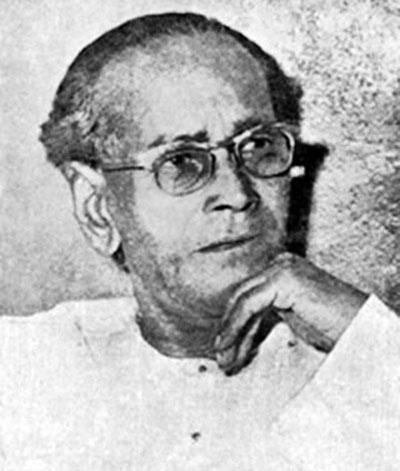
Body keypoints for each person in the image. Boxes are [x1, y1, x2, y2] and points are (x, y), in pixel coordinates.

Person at [1, 12, 399, 471]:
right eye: (181, 162)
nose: (237, 194)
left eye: (259, 146)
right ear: (98, 207)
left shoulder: (371, 362)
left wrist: (375, 347)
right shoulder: (23, 372)